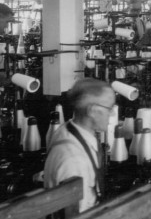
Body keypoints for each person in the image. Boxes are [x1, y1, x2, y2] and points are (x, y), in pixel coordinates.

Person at [44, 78, 116, 212]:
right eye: (109, 108)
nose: (112, 114)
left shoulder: (69, 129)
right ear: (93, 111)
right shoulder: (75, 161)